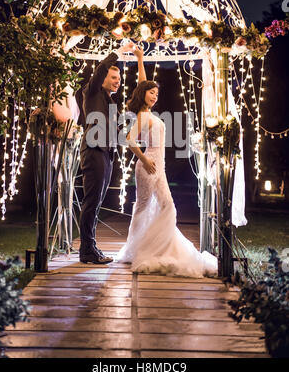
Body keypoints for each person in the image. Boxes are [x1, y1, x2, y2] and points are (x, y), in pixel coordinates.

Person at [116, 46, 218, 277]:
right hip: (148, 166)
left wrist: (140, 59)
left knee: (166, 206)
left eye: (156, 93)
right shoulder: (142, 116)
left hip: (158, 167)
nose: (154, 95)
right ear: (143, 94)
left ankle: (159, 245)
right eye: (151, 93)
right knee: (143, 207)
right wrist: (144, 159)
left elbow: (143, 82)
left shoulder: (147, 112)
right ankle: (136, 248)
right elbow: (129, 140)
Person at [79, 42, 135, 264]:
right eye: (113, 77)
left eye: (119, 78)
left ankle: (90, 247)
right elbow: (101, 67)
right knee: (91, 201)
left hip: (106, 153)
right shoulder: (91, 91)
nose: (117, 81)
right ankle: (87, 251)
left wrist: (130, 118)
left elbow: (117, 132)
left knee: (97, 202)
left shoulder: (110, 101)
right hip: (93, 151)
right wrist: (118, 53)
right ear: (101, 78)